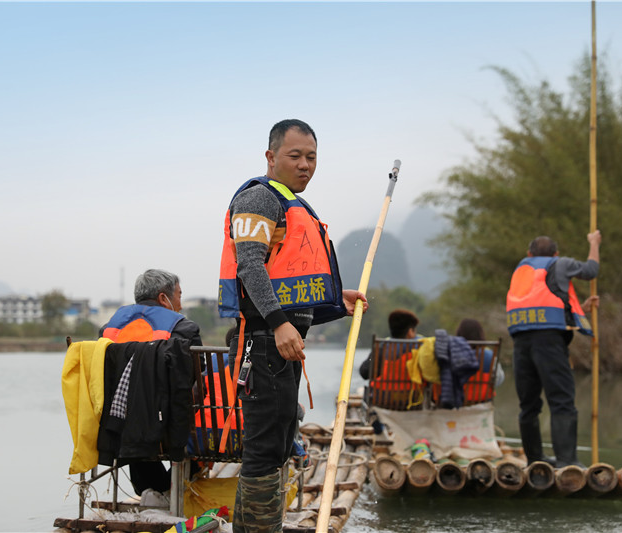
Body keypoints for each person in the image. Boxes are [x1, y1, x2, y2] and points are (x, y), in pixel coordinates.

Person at [218, 119, 367, 533]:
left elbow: (294, 288)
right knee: (265, 449)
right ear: (270, 157)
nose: (305, 165)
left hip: (280, 344)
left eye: (312, 157)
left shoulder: (289, 203)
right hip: (263, 343)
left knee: (280, 445)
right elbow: (250, 266)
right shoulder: (259, 199)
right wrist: (279, 323)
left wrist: (339, 302)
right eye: (295, 156)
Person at [100, 269, 202, 502]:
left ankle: (148, 489)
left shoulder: (108, 329)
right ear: (163, 298)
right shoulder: (184, 329)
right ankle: (166, 489)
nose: (181, 304)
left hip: (115, 425)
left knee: (133, 415)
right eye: (178, 295)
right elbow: (197, 377)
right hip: (169, 426)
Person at [506, 230, 601, 468]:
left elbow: (550, 302)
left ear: (529, 254)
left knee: (528, 405)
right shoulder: (561, 263)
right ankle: (567, 461)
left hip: (521, 343)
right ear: (555, 253)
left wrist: (584, 309)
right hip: (548, 342)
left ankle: (535, 459)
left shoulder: (521, 270)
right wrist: (594, 243)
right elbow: (591, 270)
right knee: (562, 400)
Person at [358, 309, 420, 380]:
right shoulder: (419, 348)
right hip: (412, 390)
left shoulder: (381, 347)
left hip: (383, 391)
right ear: (410, 332)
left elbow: (364, 373)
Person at [455, 318, 505, 392]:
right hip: (482, 399)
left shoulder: (454, 353)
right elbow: (499, 378)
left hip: (456, 399)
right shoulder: (488, 355)